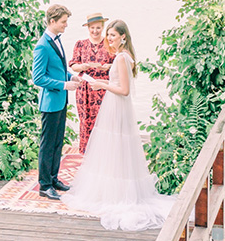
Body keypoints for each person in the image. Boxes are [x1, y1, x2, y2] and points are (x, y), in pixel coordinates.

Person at [62, 19, 174, 231]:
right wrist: (102, 83)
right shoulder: (124, 56)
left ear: (123, 36)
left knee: (114, 146)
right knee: (114, 148)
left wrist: (102, 84)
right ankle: (113, 189)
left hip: (117, 105)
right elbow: (119, 85)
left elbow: (124, 90)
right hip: (115, 105)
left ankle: (116, 194)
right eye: (108, 35)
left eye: (113, 35)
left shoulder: (122, 58)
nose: (109, 38)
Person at [32, 3, 81, 201]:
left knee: (58, 143)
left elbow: (59, 67)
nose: (66, 25)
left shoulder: (56, 40)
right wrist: (63, 85)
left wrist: (70, 76)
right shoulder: (42, 46)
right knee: (47, 144)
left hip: (60, 100)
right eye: (63, 22)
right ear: (52, 21)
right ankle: (44, 185)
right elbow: (38, 78)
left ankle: (53, 179)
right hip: (50, 102)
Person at [69, 12, 114, 153]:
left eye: (98, 28)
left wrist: (108, 67)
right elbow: (73, 65)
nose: (95, 31)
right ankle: (87, 152)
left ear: (103, 27)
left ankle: (104, 151)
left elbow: (119, 64)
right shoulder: (81, 44)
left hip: (103, 87)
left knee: (104, 120)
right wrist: (83, 66)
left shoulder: (109, 44)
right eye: (92, 28)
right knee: (85, 120)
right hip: (85, 89)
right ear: (88, 28)